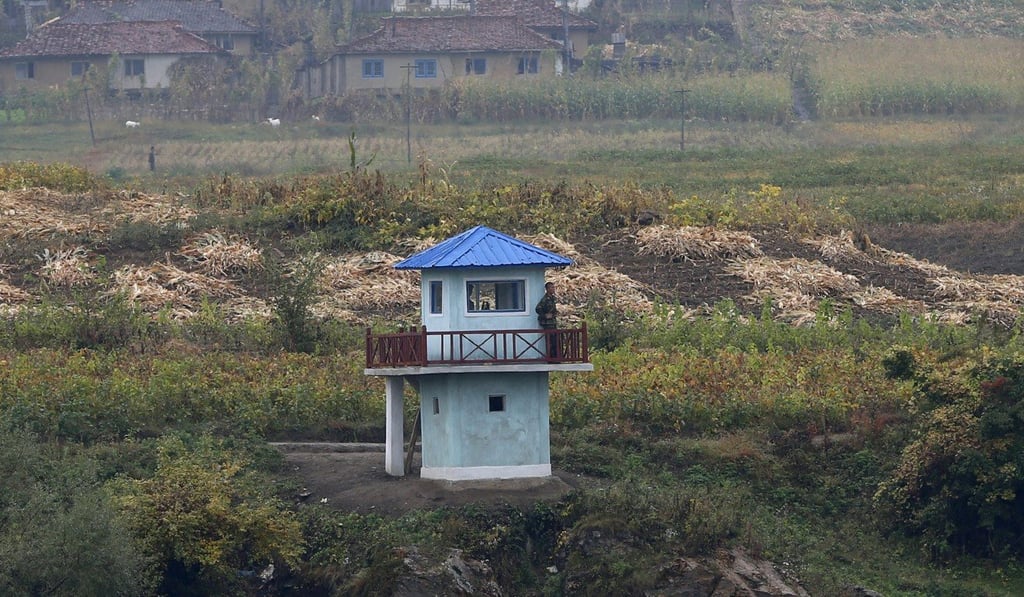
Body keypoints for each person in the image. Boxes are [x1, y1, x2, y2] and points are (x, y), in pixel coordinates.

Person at [535, 281, 558, 359]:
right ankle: (551, 358)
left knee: (555, 341)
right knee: (550, 341)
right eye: (551, 287)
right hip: (548, 324)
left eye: (553, 287)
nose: (553, 289)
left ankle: (555, 357)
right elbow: (538, 309)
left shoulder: (552, 298)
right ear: (547, 289)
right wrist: (545, 316)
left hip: (553, 322)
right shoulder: (545, 299)